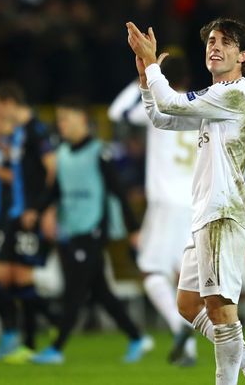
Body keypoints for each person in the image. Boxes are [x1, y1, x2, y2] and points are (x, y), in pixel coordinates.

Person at [127, 17, 245, 385]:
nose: (215, 46)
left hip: (224, 211)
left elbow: (170, 101)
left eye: (226, 42)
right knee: (188, 305)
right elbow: (162, 118)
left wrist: (152, 64)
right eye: (212, 40)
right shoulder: (215, 100)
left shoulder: (235, 95)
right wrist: (146, 82)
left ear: (243, 55)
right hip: (205, 213)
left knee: (220, 307)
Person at [31, 98, 153, 365]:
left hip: (93, 230)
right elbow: (55, 191)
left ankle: (56, 347)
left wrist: (133, 229)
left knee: (74, 289)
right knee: (99, 291)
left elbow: (119, 193)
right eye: (60, 119)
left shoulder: (100, 152)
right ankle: (136, 337)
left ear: (82, 120)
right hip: (70, 228)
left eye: (66, 118)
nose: (61, 124)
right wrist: (37, 212)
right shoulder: (62, 154)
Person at [108, 50, 199, 367]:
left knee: (150, 272)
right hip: (193, 204)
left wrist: (145, 76)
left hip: (165, 202)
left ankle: (180, 330)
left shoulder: (159, 103)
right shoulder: (199, 106)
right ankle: (187, 349)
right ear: (188, 78)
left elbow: (116, 112)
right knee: (183, 280)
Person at [0, 82, 58, 362]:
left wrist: (42, 209)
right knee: (16, 280)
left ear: (6, 103)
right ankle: (30, 336)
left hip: (28, 215)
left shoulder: (36, 130)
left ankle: (32, 336)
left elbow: (52, 168)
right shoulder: (18, 134)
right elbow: (21, 171)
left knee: (12, 277)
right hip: (16, 215)